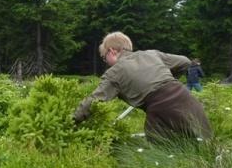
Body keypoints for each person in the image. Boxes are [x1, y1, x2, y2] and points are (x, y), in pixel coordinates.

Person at [73, 32, 212, 141]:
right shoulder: (151, 54)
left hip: (162, 109)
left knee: (161, 152)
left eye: (104, 57)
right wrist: (168, 79)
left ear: (112, 51)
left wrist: (71, 121)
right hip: (187, 99)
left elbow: (93, 101)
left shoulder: (114, 73)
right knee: (205, 145)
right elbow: (185, 62)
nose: (105, 61)